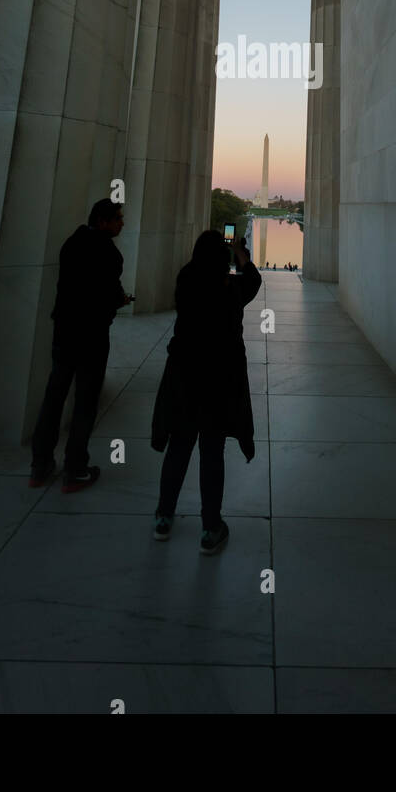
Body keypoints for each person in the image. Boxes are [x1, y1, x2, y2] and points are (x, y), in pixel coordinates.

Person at [151, 231, 261, 554]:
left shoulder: (186, 280)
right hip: (217, 384)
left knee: (179, 448)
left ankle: (163, 517)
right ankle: (211, 527)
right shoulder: (229, 289)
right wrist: (240, 253)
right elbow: (252, 280)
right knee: (211, 454)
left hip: (185, 379)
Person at [29, 198, 133, 493]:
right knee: (85, 402)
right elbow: (109, 295)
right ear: (102, 221)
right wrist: (120, 300)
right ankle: (74, 469)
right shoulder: (109, 254)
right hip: (91, 336)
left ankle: (40, 465)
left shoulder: (71, 244)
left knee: (54, 396)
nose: (122, 223)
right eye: (117, 219)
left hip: (64, 331)